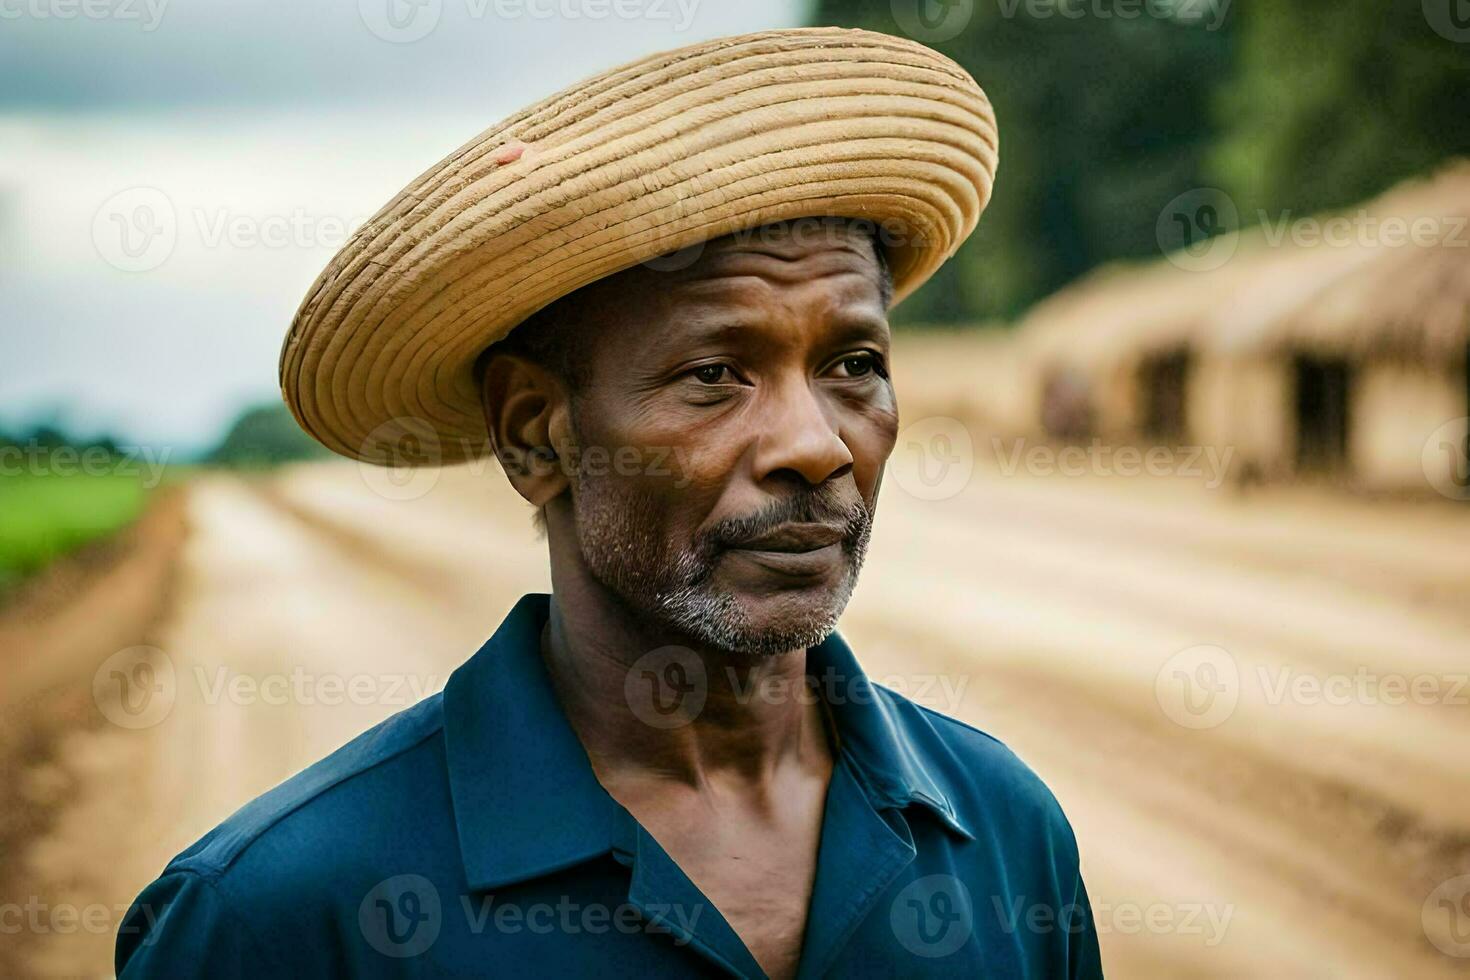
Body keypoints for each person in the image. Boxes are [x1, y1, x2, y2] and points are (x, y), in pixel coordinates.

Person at [118, 26, 1102, 978]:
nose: (816, 444)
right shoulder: (277, 918)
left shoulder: (1009, 834)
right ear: (533, 432)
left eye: (853, 363)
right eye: (716, 372)